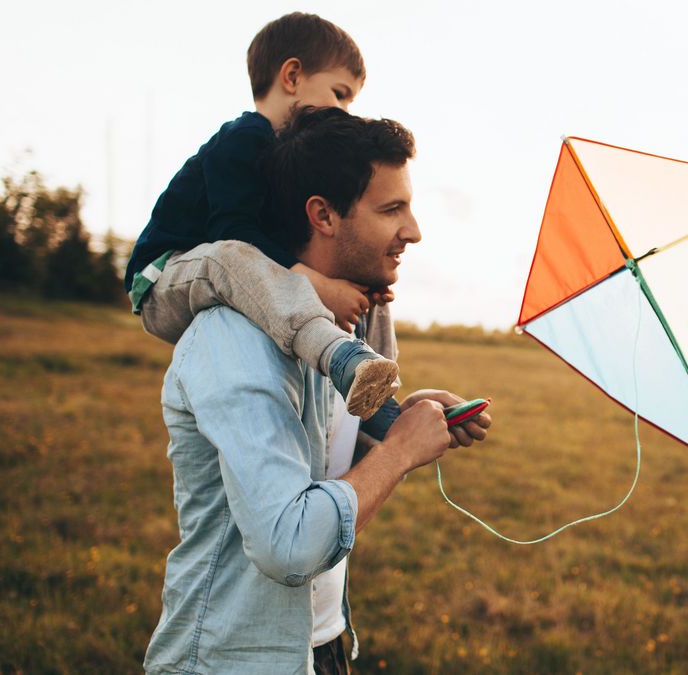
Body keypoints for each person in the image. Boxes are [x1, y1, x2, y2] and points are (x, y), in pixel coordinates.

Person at [143, 107, 492, 674]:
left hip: (322, 644)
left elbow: (334, 462)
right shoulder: (235, 336)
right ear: (323, 215)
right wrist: (400, 451)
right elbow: (291, 544)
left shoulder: (344, 333)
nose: (414, 230)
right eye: (391, 209)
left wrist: (411, 412)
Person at [124, 12, 399, 422]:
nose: (345, 112)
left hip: (229, 269)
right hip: (167, 277)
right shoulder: (243, 137)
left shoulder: (284, 159)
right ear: (291, 76)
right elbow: (233, 231)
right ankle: (339, 357)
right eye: (340, 93)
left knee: (361, 267)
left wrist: (349, 283)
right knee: (229, 255)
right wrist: (317, 283)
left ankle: (380, 393)